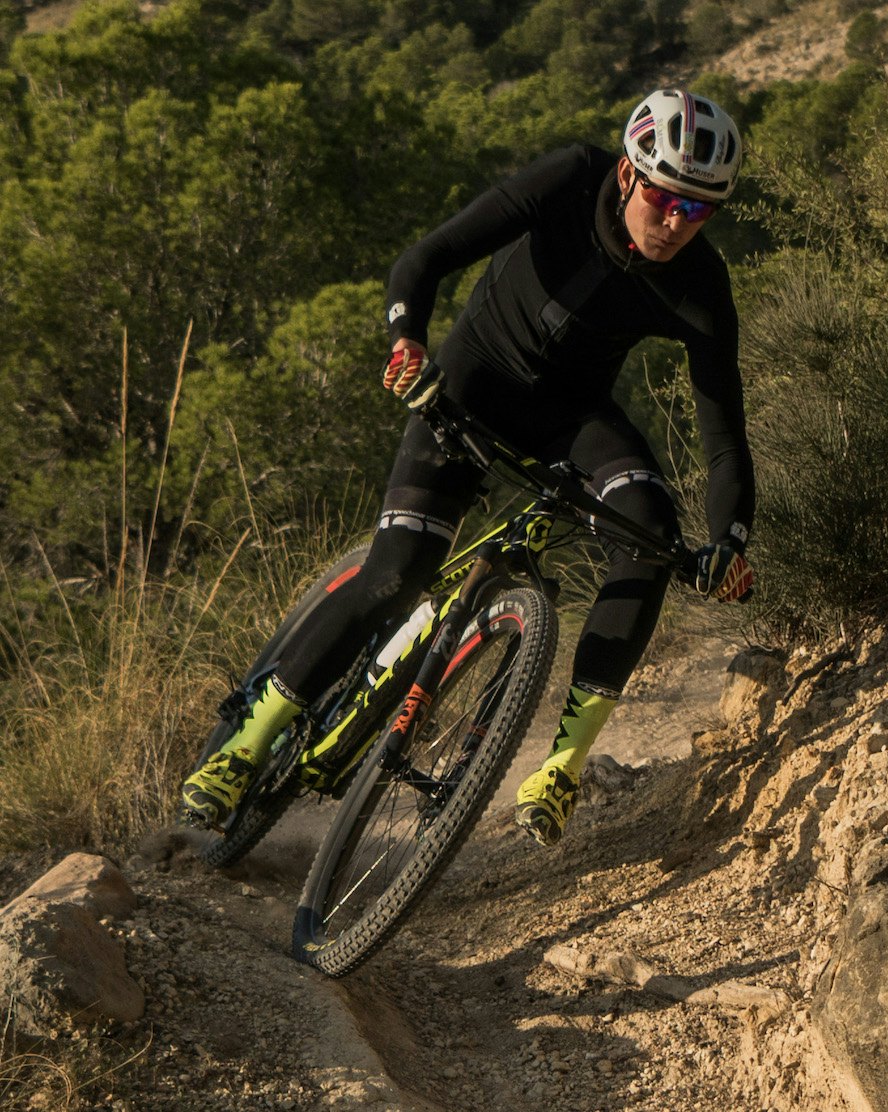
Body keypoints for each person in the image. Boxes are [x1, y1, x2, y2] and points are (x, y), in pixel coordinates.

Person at [182, 87, 756, 847]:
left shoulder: (701, 282)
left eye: (699, 209)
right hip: (469, 383)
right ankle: (247, 744)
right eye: (665, 197)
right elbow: (424, 259)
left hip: (571, 417)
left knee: (649, 532)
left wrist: (728, 541)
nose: (677, 222)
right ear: (627, 174)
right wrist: (407, 341)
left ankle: (561, 768)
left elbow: (725, 438)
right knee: (401, 568)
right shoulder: (570, 177)